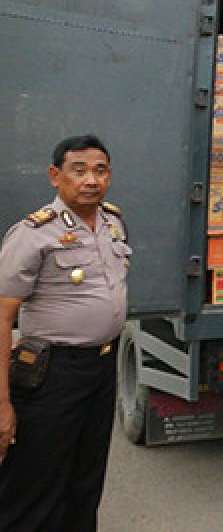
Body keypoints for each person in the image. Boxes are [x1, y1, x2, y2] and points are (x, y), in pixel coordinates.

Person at [0, 135, 130, 532]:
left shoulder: (113, 222)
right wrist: (2, 403)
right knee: (35, 485)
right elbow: (2, 317)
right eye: (80, 170)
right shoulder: (32, 233)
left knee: (86, 481)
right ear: (56, 177)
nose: (91, 179)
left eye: (100, 170)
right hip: (51, 374)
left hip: (101, 369)